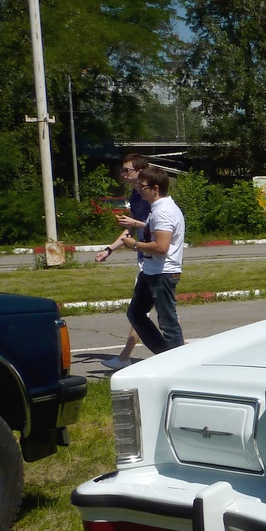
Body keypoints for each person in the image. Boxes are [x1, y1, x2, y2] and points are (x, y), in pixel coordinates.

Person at [118, 166, 185, 354]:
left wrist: (134, 244)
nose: (139, 189)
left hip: (162, 273)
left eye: (143, 186)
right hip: (151, 270)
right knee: (135, 313)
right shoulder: (157, 209)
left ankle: (177, 361)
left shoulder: (163, 211)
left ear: (155, 189)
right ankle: (164, 355)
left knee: (168, 323)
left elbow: (162, 247)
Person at [96, 154, 152, 370]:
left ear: (140, 171)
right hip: (143, 257)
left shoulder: (152, 194)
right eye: (123, 170)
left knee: (143, 310)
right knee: (158, 311)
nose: (123, 174)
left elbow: (159, 225)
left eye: (127, 170)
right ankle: (180, 350)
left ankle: (125, 357)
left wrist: (135, 222)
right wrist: (109, 249)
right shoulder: (136, 197)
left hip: (157, 257)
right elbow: (131, 228)